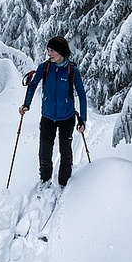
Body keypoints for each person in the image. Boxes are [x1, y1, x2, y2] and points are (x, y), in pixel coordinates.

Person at [19, 36, 87, 187]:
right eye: (48, 50)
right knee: (45, 150)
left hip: (67, 118)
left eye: (52, 51)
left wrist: (83, 118)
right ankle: (45, 180)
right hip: (48, 117)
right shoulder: (45, 67)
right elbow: (33, 85)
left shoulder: (72, 70)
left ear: (61, 51)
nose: (49, 54)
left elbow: (82, 95)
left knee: (65, 151)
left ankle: (64, 182)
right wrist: (26, 105)